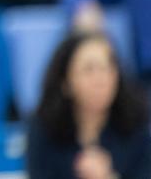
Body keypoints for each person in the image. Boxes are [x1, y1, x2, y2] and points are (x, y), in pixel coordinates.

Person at [27, 32, 151, 179]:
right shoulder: (43, 128)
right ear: (65, 82)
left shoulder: (135, 124)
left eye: (108, 68)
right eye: (89, 70)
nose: (100, 80)